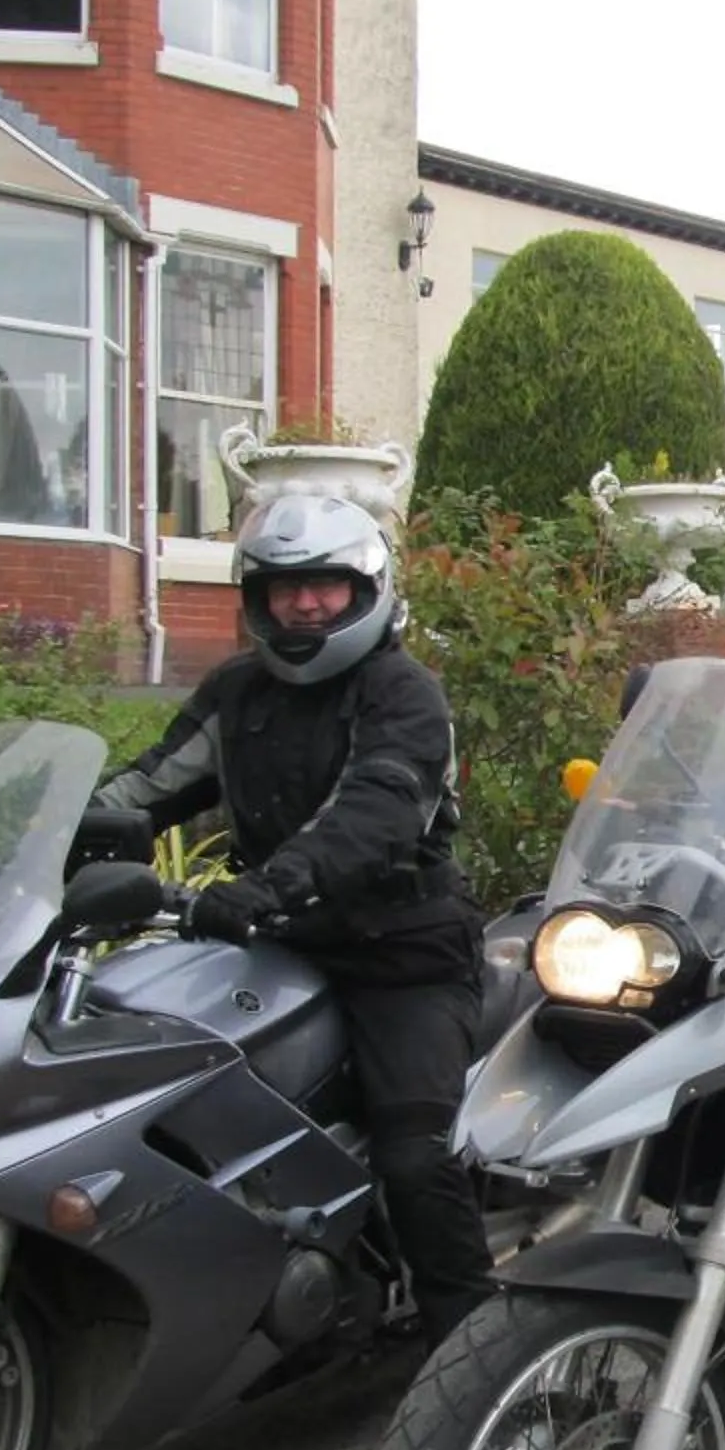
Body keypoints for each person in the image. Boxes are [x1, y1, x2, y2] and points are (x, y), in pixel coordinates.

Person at [90, 492, 502, 1339]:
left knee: (413, 1153)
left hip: (403, 955)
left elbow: (377, 813)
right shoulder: (238, 691)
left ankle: (469, 1347)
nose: (307, 604)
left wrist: (267, 888)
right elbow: (148, 786)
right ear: (258, 599)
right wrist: (60, 838)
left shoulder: (402, 692)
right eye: (286, 588)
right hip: (275, 945)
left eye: (328, 586)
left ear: (368, 591)